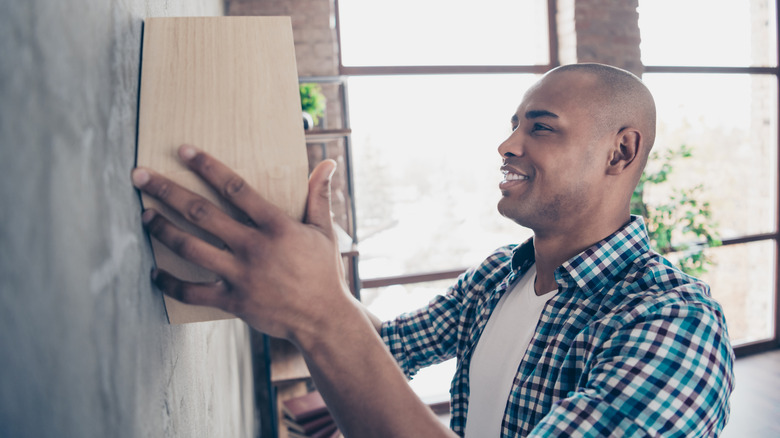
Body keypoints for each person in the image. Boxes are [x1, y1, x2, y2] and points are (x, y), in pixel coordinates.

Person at [132, 63, 734, 437]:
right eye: (514, 124)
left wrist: (320, 313)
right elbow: (388, 350)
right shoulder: (500, 275)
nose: (507, 143)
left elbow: (345, 338)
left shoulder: (675, 322)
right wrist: (314, 286)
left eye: (540, 127)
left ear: (620, 153)